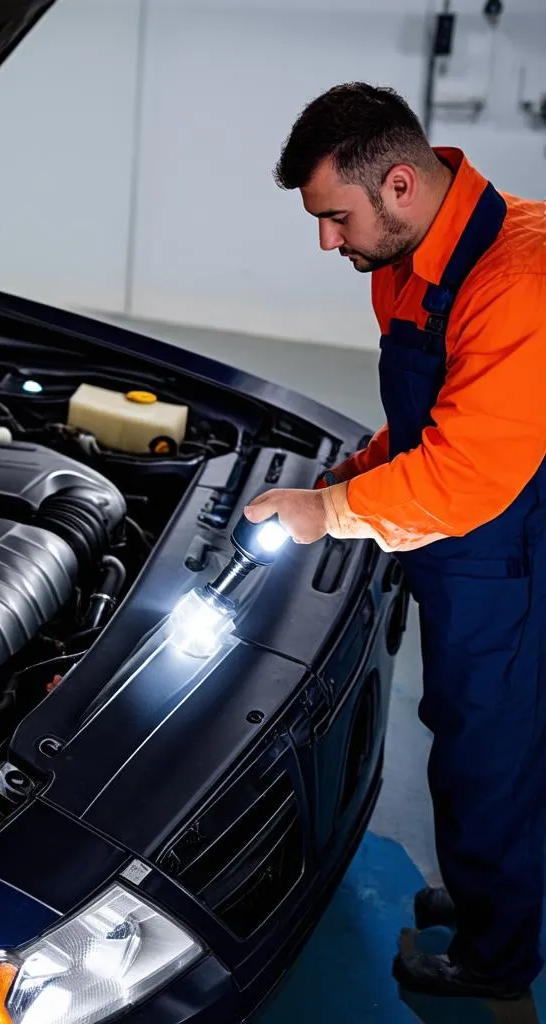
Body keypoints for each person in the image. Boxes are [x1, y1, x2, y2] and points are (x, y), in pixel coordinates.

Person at [244, 81, 546, 1000]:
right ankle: (491, 897)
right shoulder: (404, 260)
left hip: (510, 545)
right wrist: (349, 476)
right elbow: (426, 426)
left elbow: (463, 474)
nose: (329, 242)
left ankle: (495, 958)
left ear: (401, 184)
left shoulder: (518, 278)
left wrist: (323, 516)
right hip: (461, 541)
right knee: (459, 730)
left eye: (337, 218)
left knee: (492, 748)